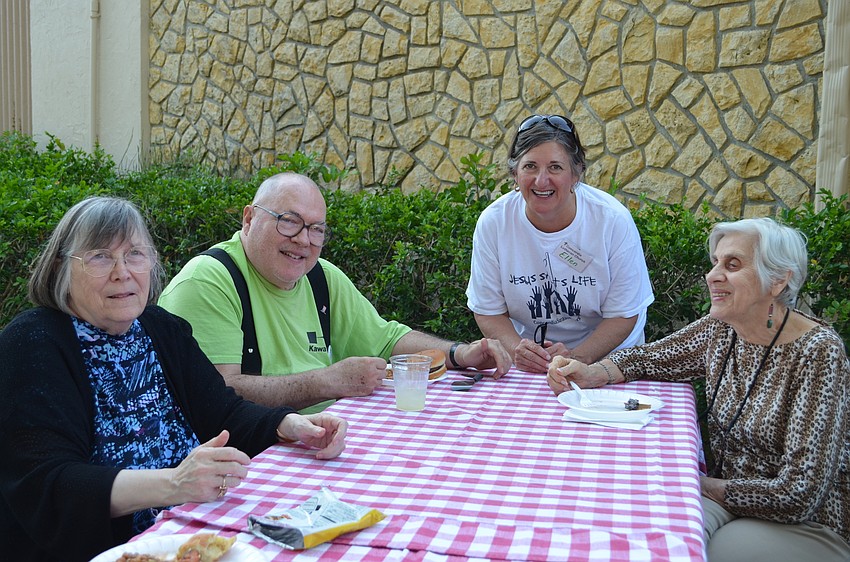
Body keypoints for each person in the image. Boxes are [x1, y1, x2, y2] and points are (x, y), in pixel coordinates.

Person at [0, 196, 348, 562]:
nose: (123, 271)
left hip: (191, 533)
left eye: (135, 254)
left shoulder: (159, 328)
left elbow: (222, 412)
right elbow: (49, 485)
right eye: (100, 256)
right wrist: (174, 483)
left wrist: (289, 424)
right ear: (61, 268)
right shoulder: (32, 344)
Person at [548, 217, 850, 562]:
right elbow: (649, 358)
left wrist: (697, 484)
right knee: (649, 531)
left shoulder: (818, 352)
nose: (713, 275)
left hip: (806, 522)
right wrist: (590, 373)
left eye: (732, 265)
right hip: (726, 497)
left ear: (779, 280)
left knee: (716, 552)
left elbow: (800, 493)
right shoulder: (722, 327)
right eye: (715, 263)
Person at [158, 172, 512, 413]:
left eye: (316, 229)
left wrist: (458, 353)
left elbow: (387, 340)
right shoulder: (209, 281)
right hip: (248, 459)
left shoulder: (320, 277)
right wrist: (327, 382)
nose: (303, 240)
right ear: (249, 219)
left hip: (317, 443)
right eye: (289, 221)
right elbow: (216, 396)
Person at [466, 114, 654, 374]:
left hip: (608, 364)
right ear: (514, 173)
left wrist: (579, 357)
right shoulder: (494, 223)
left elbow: (624, 314)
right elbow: (488, 309)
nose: (541, 181)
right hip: (532, 366)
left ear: (576, 174)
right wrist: (517, 349)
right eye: (530, 166)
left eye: (555, 167)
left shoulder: (611, 220)